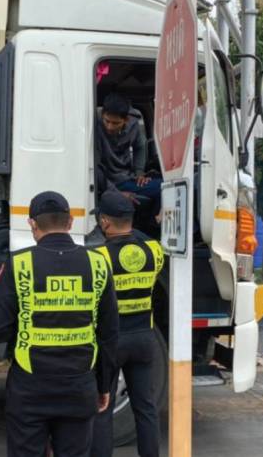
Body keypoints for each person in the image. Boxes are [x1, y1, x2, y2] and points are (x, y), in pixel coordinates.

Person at [0, 191, 120, 457]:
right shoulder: (98, 263)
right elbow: (109, 333)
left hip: (29, 387)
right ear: (70, 222)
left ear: (32, 223)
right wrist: (104, 385)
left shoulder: (18, 263)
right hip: (80, 385)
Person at [91, 191, 165, 457]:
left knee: (102, 408)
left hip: (112, 341)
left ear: (105, 222)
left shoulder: (98, 257)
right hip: (144, 338)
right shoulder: (154, 251)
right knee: (146, 408)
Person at [95, 94, 161, 209]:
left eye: (115, 123)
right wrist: (115, 193)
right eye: (107, 121)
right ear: (102, 115)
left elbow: (140, 146)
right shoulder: (96, 126)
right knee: (161, 187)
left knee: (165, 186)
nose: (110, 127)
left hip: (126, 177)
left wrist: (139, 172)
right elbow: (97, 169)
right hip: (108, 182)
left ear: (126, 120)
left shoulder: (133, 125)